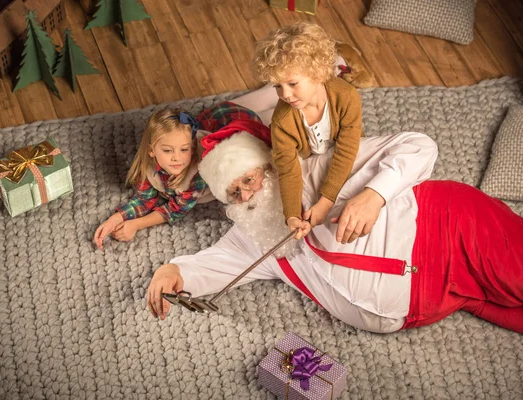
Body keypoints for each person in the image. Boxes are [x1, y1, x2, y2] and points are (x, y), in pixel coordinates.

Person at [146, 126, 523, 334]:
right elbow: (213, 264)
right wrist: (173, 271)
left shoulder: (319, 169)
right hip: (435, 300)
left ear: (270, 168)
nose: (248, 193)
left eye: (249, 178)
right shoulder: (255, 235)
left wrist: (374, 195)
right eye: (235, 192)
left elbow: (418, 145)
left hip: (449, 229)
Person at [94, 101, 264, 248]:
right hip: (207, 126)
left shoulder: (198, 174)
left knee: (258, 134)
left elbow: (174, 210)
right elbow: (144, 198)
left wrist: (136, 225)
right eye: (168, 150)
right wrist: (115, 219)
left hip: (233, 120)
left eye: (184, 149)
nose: (177, 157)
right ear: (151, 151)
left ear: (192, 146)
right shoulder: (150, 165)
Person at [252, 22, 366, 241]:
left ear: (317, 72)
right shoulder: (282, 121)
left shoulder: (347, 96)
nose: (285, 94)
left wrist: (326, 201)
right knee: (289, 199)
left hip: (348, 154)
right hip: (312, 161)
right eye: (277, 86)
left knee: (355, 198)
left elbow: (347, 151)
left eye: (292, 83)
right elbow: (289, 169)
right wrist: (292, 216)